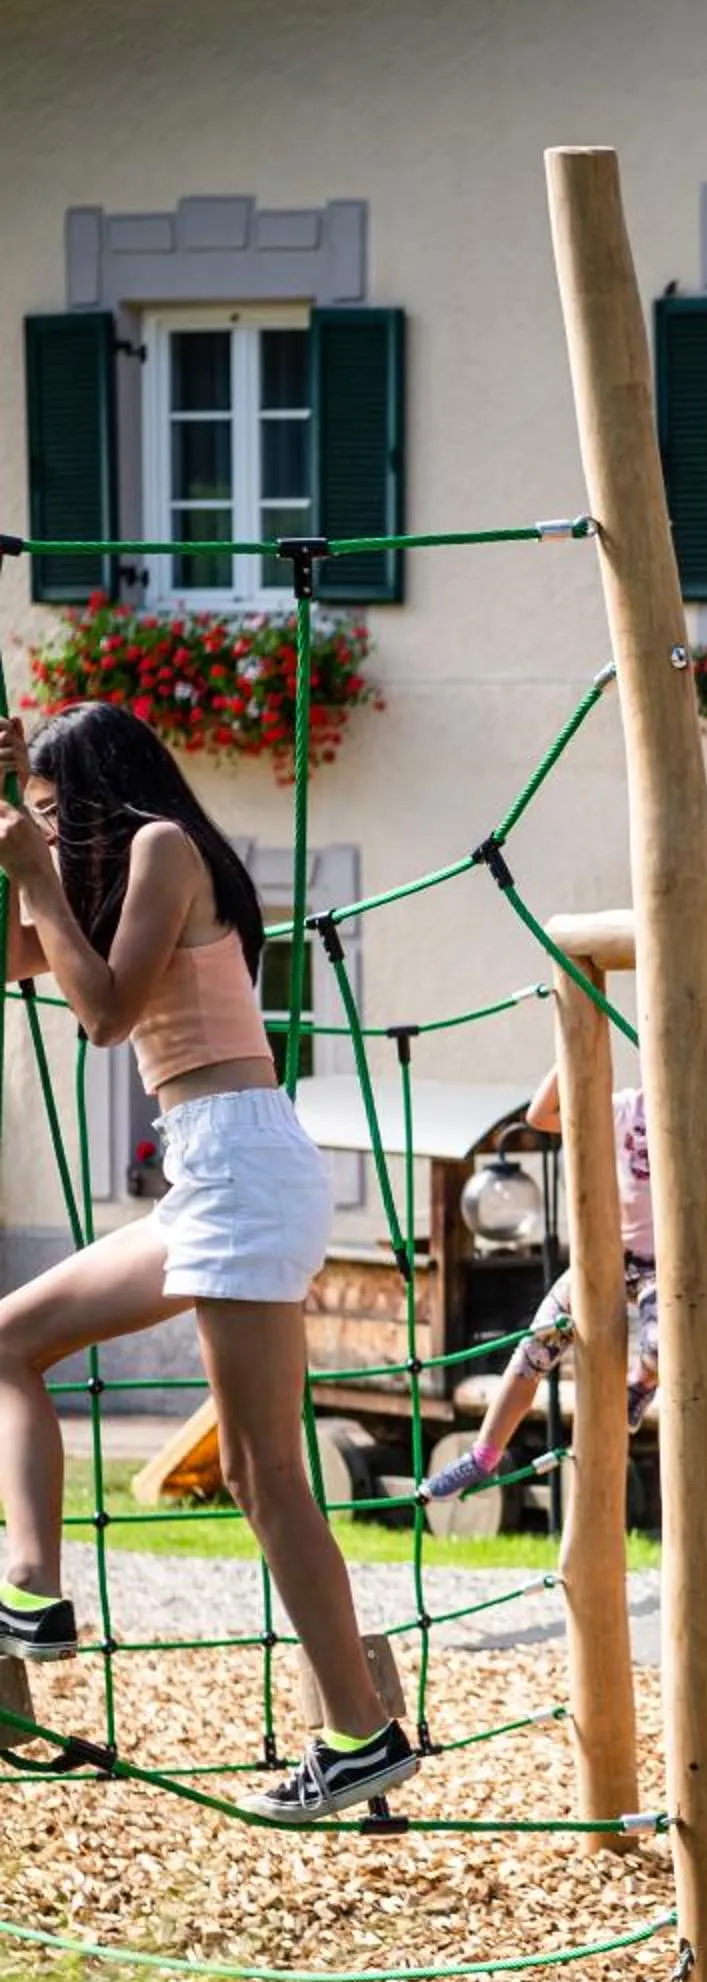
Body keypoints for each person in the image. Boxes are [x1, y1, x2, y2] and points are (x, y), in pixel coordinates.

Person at [0, 702, 410, 1822]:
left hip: (241, 1165)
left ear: (93, 794)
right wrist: (11, 852)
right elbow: (17, 954)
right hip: (210, 1171)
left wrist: (35, 874)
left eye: (49, 807)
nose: (43, 826)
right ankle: (32, 1595)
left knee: (262, 1475)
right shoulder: (109, 876)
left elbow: (103, 1017)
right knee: (8, 1342)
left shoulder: (162, 850)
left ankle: (359, 1734)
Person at [422, 970, 707, 1505]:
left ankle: (642, 1383)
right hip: (604, 1260)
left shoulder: (697, 1105)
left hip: (664, 1266)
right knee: (534, 1347)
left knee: (668, 1344)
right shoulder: (618, 1108)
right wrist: (578, 1036)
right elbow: (539, 1114)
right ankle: (482, 1455)